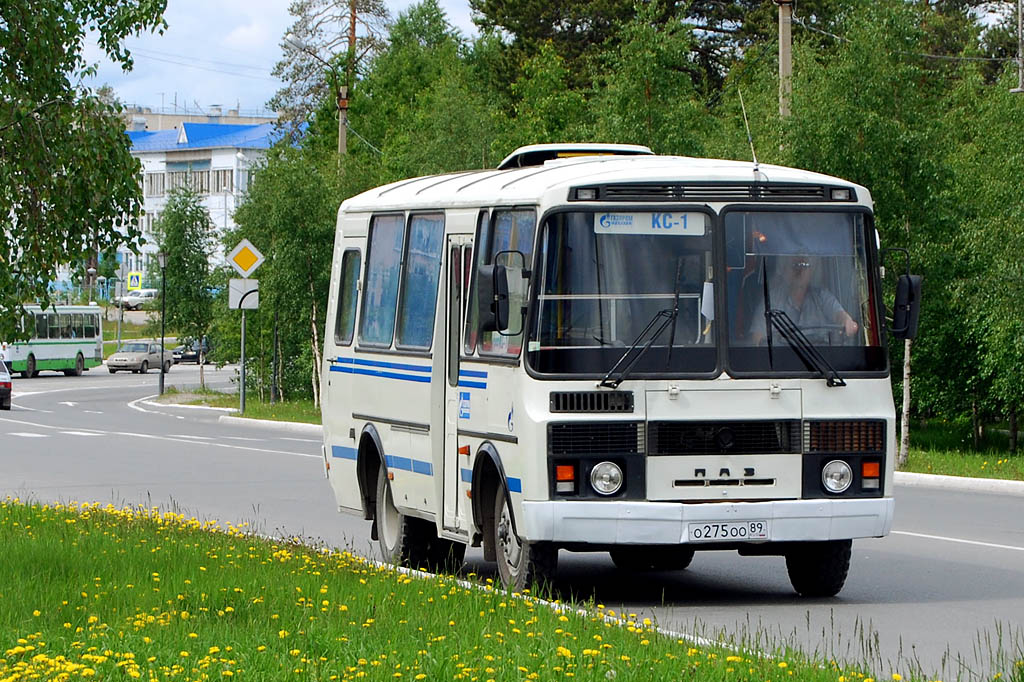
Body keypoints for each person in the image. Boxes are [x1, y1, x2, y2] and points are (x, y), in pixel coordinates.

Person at [750, 255, 858, 345]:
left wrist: (846, 321)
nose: (800, 271)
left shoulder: (822, 297)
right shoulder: (772, 300)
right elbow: (757, 340)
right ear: (784, 270)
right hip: (781, 367)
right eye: (795, 266)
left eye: (804, 265)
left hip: (822, 366)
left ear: (811, 271)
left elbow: (839, 315)